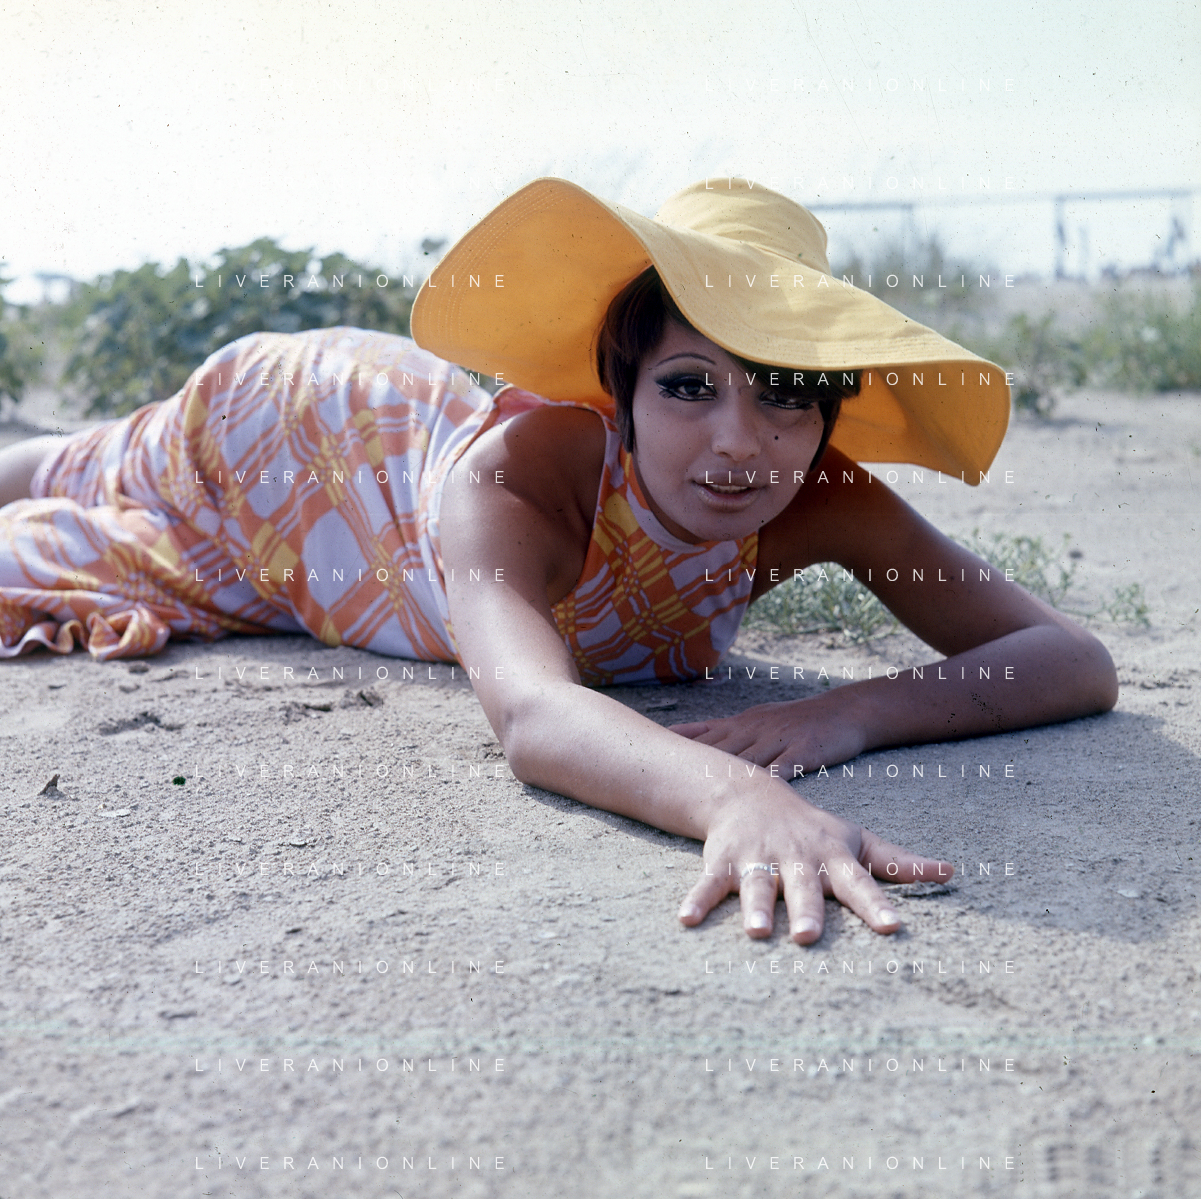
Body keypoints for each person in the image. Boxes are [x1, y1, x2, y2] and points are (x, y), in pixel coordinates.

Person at [0, 178, 1118, 943]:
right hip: (300, 431)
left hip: (334, 563)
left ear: (825, 416)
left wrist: (850, 712)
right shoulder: (524, 472)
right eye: (689, 386)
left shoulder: (822, 497)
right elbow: (534, 716)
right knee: (84, 466)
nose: (740, 441)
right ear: (618, 395)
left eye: (786, 396)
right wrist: (739, 795)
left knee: (101, 532)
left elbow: (1071, 658)